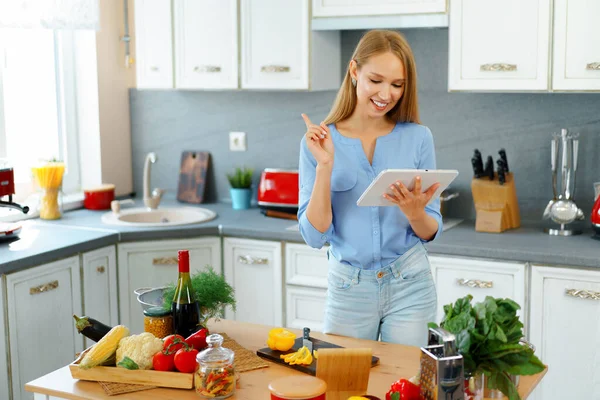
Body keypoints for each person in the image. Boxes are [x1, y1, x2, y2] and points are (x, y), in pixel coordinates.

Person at [297, 30, 442, 347]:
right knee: (344, 387)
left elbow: (431, 229)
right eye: (376, 80)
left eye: (397, 84)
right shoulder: (320, 141)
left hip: (410, 283)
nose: (386, 93)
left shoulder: (418, 138)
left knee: (407, 389)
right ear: (354, 71)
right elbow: (314, 235)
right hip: (349, 288)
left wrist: (415, 213)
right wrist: (324, 166)